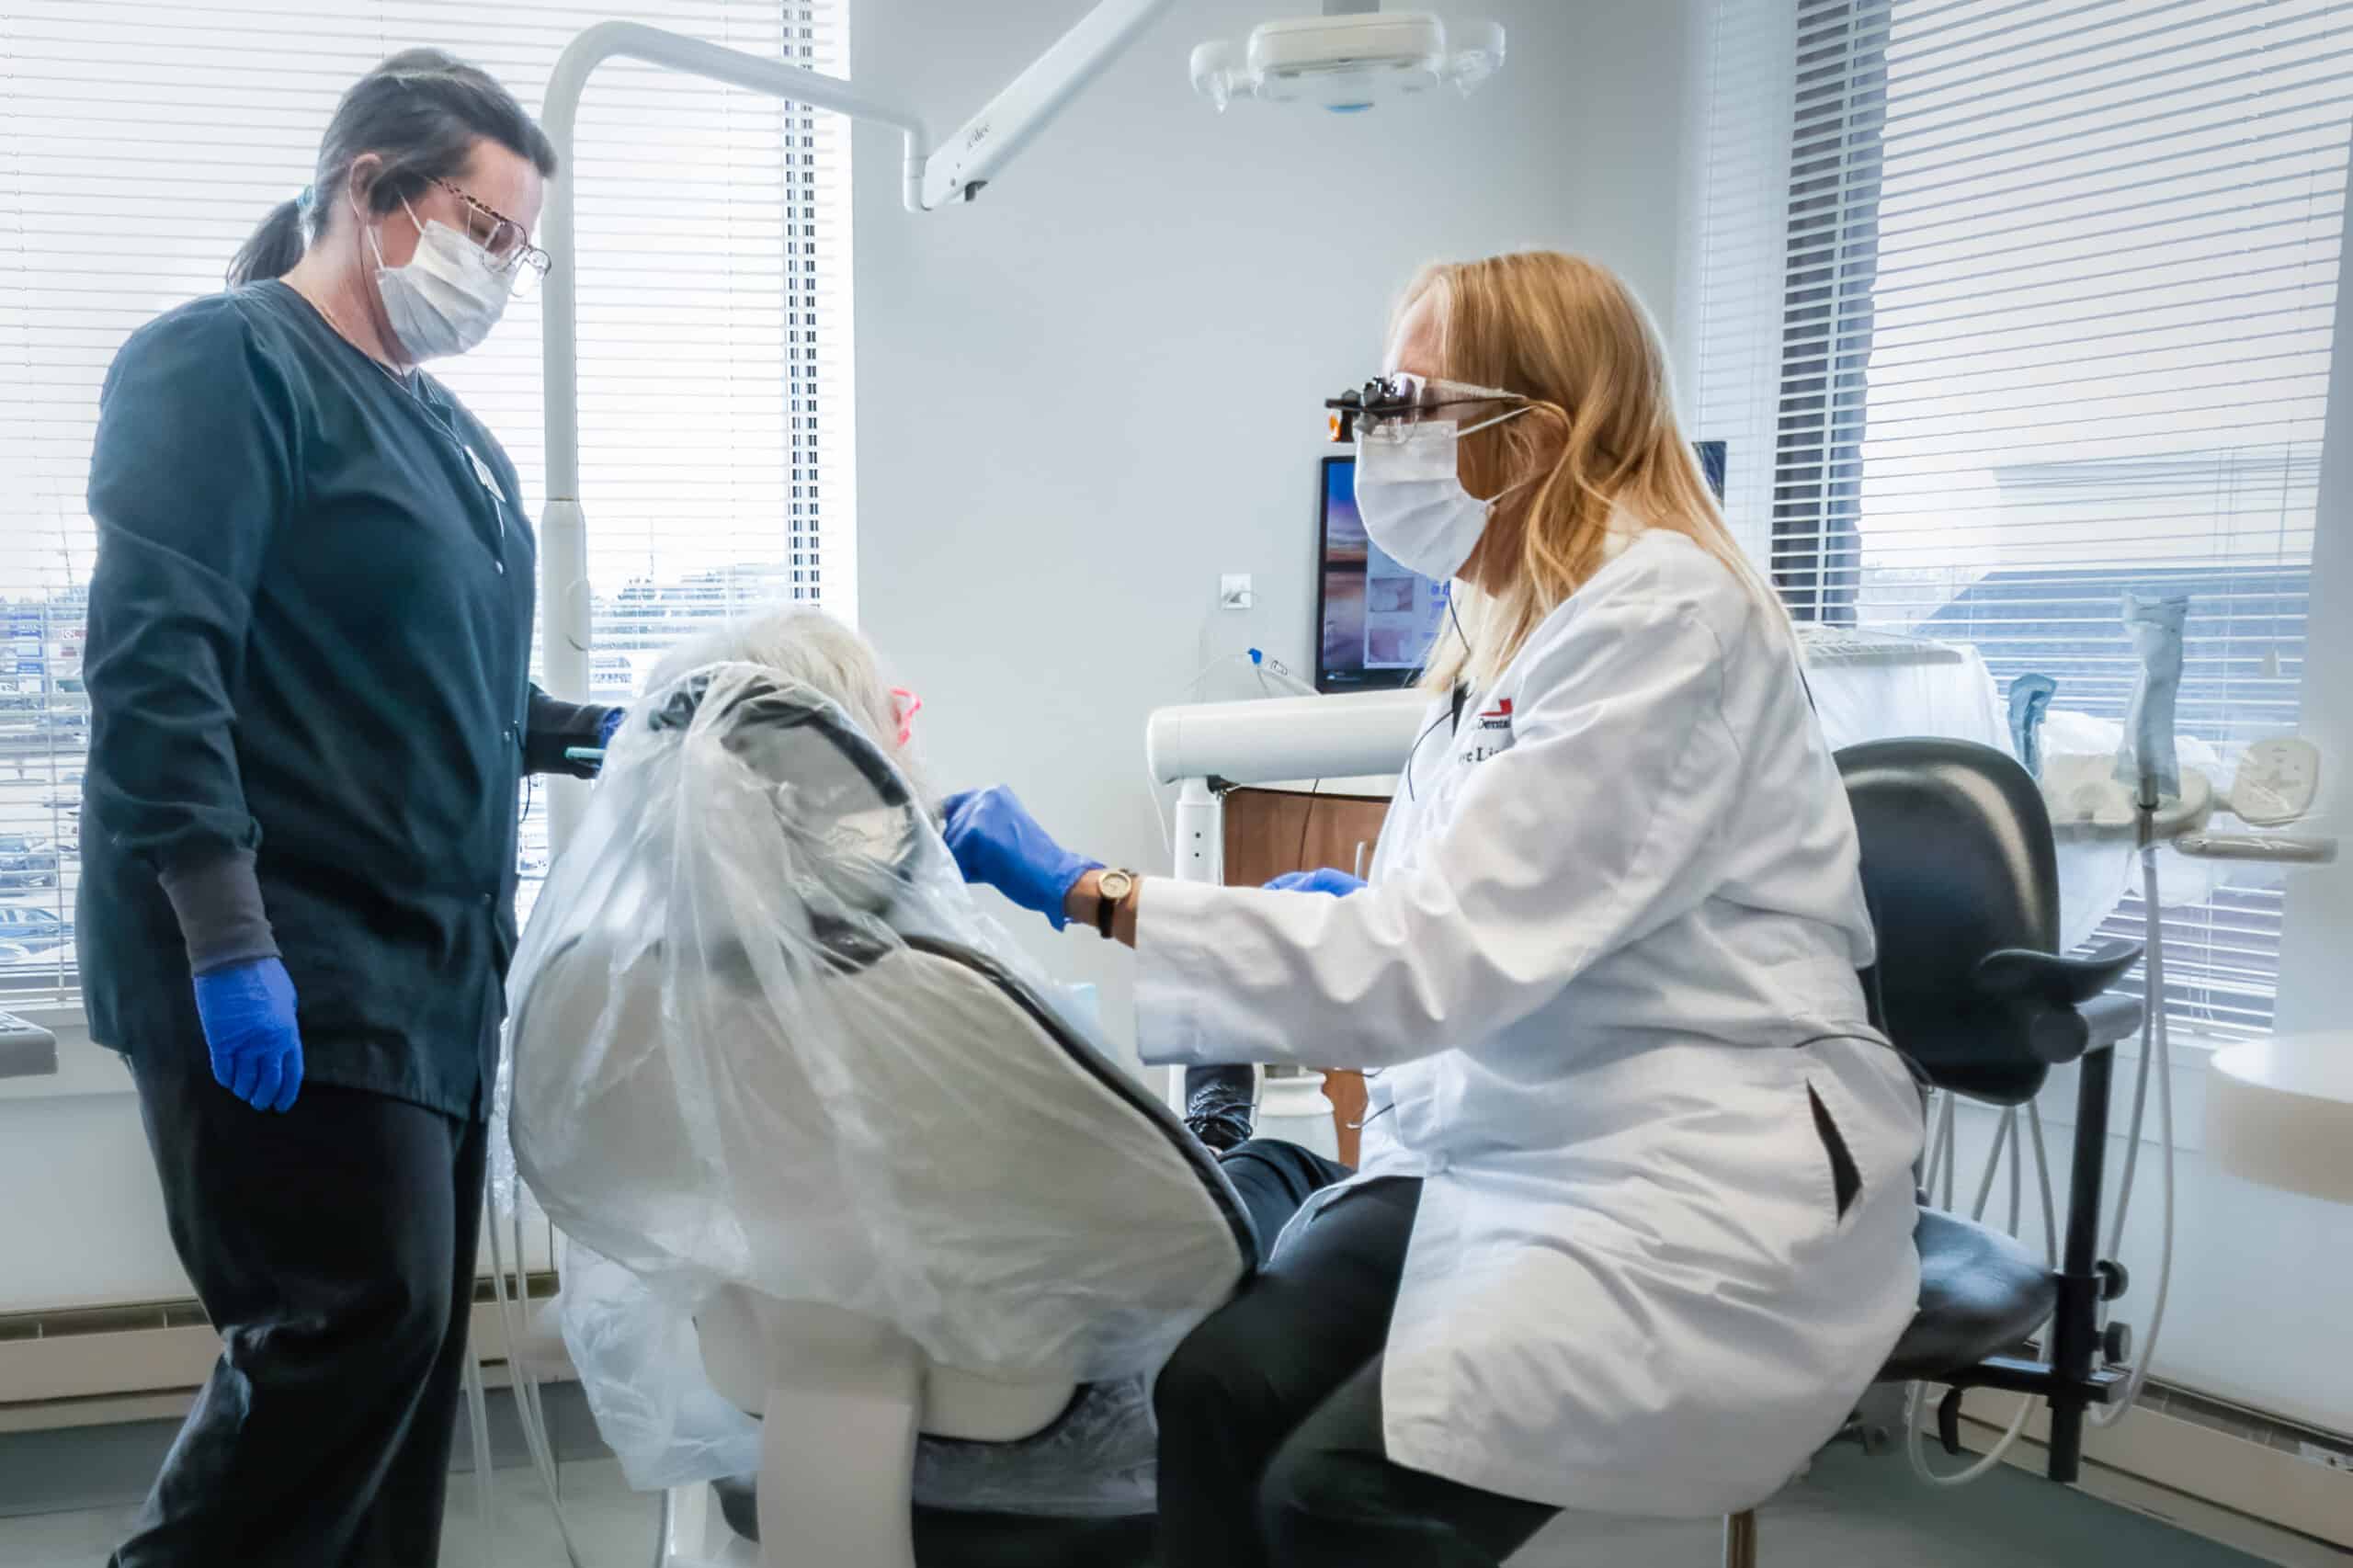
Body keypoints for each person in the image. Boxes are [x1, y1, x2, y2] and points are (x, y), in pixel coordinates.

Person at [941, 251, 1925, 1567]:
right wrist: (1378, 903)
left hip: (1676, 1172)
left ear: (1539, 434)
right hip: (1495, 1140)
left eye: (1406, 399)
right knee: (1211, 1388)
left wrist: (1094, 891)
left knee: (1340, 1504)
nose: (1368, 435)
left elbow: (1435, 959)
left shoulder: (1666, 612)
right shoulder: (1503, 623)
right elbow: (1474, 909)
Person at [80, 51, 617, 1568]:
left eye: (521, 248)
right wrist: (227, 941)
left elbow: (463, 704)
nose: (498, 272)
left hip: (427, 977)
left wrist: (624, 740)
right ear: (369, 193)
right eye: (481, 228)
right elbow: (157, 662)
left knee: (406, 1378)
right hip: (275, 960)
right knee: (346, 1333)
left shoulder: (452, 444)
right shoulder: (224, 366)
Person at [640, 606, 1349, 1251]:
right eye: (898, 718)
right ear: (853, 764)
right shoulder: (940, 996)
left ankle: (1213, 1141)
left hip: (783, 1324)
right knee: (1279, 1170)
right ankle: (1218, 1141)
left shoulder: (632, 985)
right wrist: (1078, 888)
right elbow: (1110, 1184)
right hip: (1068, 1315)